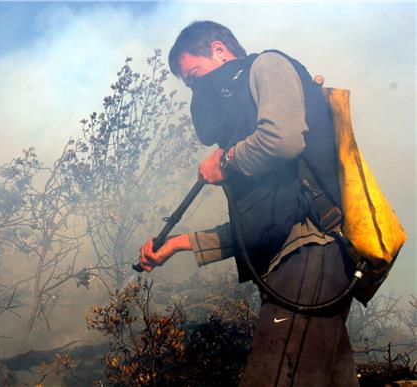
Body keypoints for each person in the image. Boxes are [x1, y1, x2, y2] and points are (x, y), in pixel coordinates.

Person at [137, 21, 359, 387]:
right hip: (295, 262)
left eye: (194, 75)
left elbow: (283, 140)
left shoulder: (267, 66)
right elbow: (257, 225)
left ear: (220, 50)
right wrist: (176, 245)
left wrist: (224, 163)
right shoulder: (246, 138)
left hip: (308, 252)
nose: (196, 90)